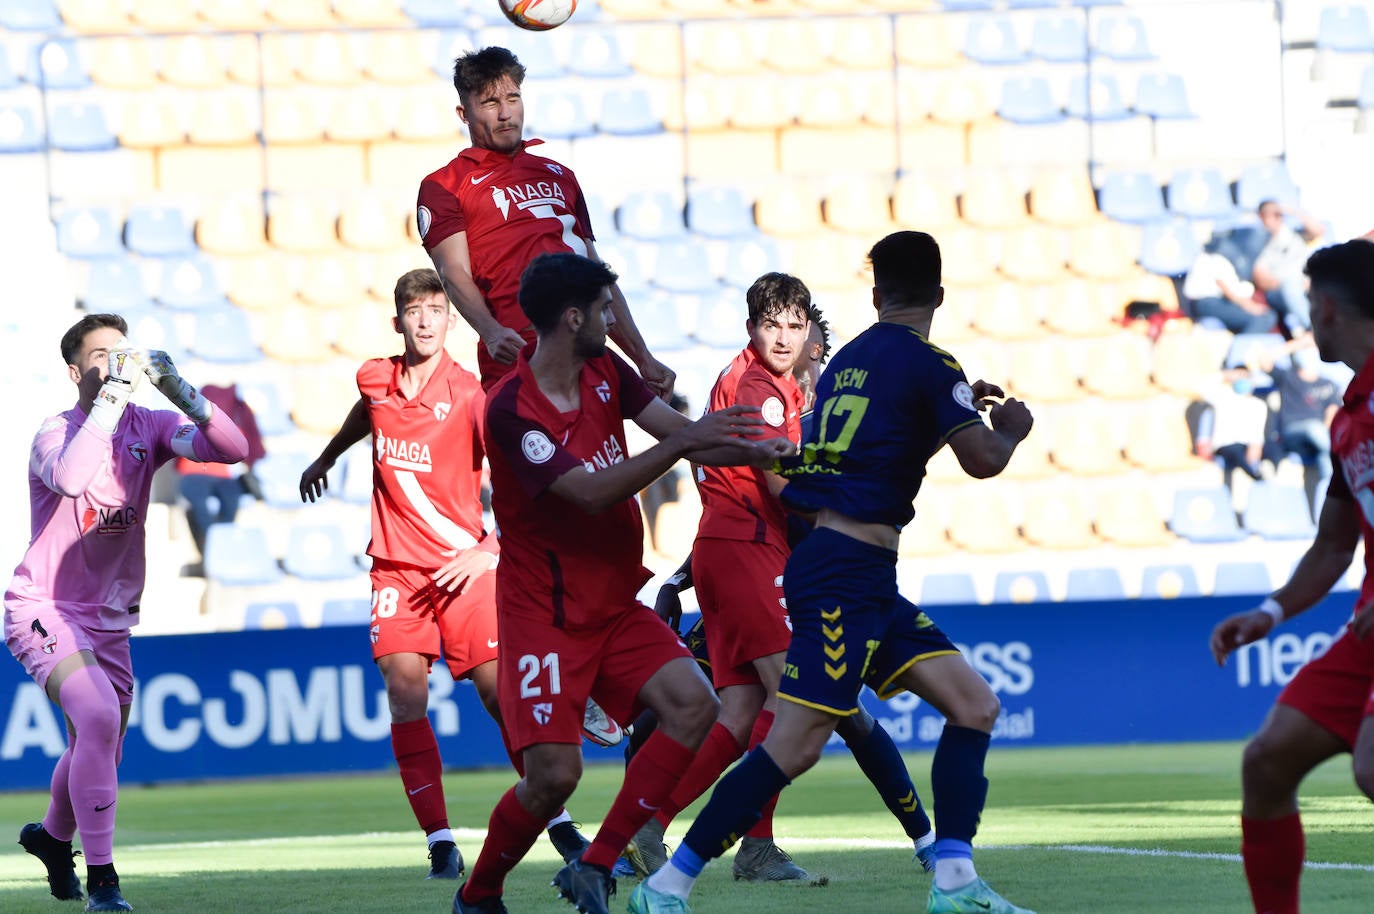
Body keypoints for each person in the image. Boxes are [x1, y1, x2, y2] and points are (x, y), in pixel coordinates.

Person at [628, 231, 1037, 914]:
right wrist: (1012, 427)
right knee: (792, 744)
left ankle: (956, 882)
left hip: (858, 573)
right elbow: (984, 459)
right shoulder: (933, 364)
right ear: (939, 295)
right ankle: (667, 886)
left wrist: (952, 401)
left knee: (975, 705)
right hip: (844, 573)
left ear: (877, 296)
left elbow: (834, 457)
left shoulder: (846, 363)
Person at [451, 252, 795, 914]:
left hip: (612, 606)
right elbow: (587, 491)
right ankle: (479, 893)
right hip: (543, 615)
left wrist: (754, 449)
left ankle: (597, 864)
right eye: (606, 309)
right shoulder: (510, 411)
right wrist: (683, 445)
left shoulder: (605, 370)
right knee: (554, 776)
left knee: (695, 706)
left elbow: (679, 433)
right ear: (574, 317)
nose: (615, 321)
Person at [631, 294, 938, 882]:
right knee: (798, 702)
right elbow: (781, 491)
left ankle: (649, 824)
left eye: (805, 339)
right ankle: (749, 843)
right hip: (757, 557)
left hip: (751, 558)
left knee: (746, 710)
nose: (802, 353)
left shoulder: (780, 391)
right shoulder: (765, 391)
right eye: (782, 330)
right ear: (758, 330)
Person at [297, 268, 593, 880]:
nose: (427, 319)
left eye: (437, 308)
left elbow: (520, 478)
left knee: (496, 695)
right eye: (416, 310)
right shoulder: (375, 377)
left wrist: (489, 547)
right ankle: (439, 841)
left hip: (463, 568)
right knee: (406, 696)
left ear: (450, 319)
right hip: (395, 572)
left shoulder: (472, 396)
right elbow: (368, 412)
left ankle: (558, 821)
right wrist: (328, 455)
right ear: (398, 320)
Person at [6, 314, 249, 911]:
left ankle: (51, 836)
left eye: (122, 352)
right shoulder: (53, 433)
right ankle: (104, 883)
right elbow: (71, 478)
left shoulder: (151, 426)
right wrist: (112, 397)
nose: (115, 363)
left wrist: (176, 387)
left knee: (101, 745)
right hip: (45, 605)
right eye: (99, 357)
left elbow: (233, 449)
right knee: (95, 717)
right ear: (74, 372)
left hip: (111, 617)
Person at [1208, 238, 1374, 914]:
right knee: (1268, 761)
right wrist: (1271, 613)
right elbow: (1334, 544)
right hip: (1368, 627)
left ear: (1328, 308)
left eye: (1309, 305)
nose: (1308, 317)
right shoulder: (1349, 420)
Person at [417, 45, 673, 397]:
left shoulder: (561, 175)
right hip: (517, 357)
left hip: (588, 351)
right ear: (464, 113)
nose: (506, 113)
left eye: (513, 98)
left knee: (627, 449)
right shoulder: (444, 185)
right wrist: (490, 331)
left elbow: (596, 272)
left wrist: (642, 356)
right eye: (491, 103)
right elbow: (453, 272)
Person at [174, 382, 265, 574]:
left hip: (219, 476)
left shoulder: (234, 420)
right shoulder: (194, 421)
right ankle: (215, 551)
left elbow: (249, 450)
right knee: (205, 507)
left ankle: (219, 550)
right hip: (196, 474)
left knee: (226, 504)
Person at [1258, 342, 1342, 520]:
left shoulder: (1328, 383)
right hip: (1293, 434)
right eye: (1305, 352)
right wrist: (1297, 344)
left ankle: (1324, 515)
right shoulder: (1288, 377)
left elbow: (1332, 414)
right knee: (1316, 430)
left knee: (1325, 458)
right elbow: (1263, 361)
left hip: (1320, 441)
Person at [1253, 200, 1328, 336]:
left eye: (1277, 214)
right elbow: (1259, 275)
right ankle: (1314, 328)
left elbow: (1319, 230)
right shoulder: (1262, 246)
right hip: (1283, 291)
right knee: (1290, 286)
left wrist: (1290, 210)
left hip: (1308, 284)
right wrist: (1288, 283)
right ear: (1261, 217)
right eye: (1268, 215)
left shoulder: (1297, 235)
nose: (1274, 218)